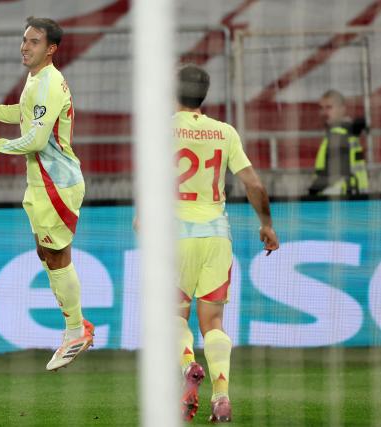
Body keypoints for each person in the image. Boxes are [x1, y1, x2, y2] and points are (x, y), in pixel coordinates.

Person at [0, 16, 93, 371]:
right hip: (43, 182)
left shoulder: (50, 83)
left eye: (34, 41)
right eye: (24, 40)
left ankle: (75, 331)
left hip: (57, 184)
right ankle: (75, 327)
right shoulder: (36, 79)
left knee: (57, 256)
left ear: (51, 49)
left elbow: (36, 139)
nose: (25, 46)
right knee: (47, 251)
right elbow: (27, 117)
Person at [173, 64, 279, 422]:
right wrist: (266, 225)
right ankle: (221, 396)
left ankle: (188, 365)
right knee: (213, 321)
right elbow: (255, 185)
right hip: (217, 234)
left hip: (176, 233)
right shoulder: (225, 132)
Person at [308, 89, 369, 196]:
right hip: (355, 196)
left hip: (341, 196)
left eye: (329, 107)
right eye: (321, 108)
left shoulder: (338, 134)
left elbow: (335, 171)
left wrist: (313, 191)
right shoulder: (348, 132)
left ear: (342, 109)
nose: (324, 112)